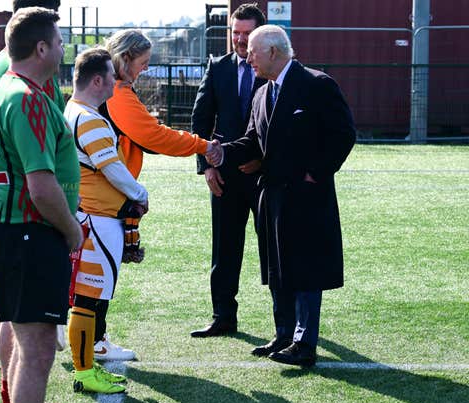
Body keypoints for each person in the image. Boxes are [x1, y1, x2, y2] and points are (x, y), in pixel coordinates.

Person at [207, 25, 355, 367]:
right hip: (271, 196)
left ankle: (305, 344)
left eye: (254, 53)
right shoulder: (262, 92)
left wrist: (313, 173)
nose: (248, 58)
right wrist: (222, 153)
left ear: (273, 51)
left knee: (304, 268)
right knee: (277, 268)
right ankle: (284, 334)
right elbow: (252, 142)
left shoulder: (317, 84)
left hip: (306, 196)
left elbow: (344, 134)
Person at [0, 7, 82, 403]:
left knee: (30, 347)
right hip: (29, 234)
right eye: (59, 42)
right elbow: (42, 188)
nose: (63, 49)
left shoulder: (10, 85)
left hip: (13, 232)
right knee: (37, 350)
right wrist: (73, 229)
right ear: (41, 47)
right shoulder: (27, 98)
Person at [97, 29, 217, 360]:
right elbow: (154, 136)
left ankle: (86, 334)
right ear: (124, 60)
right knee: (101, 274)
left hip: (102, 194)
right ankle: (93, 338)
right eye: (143, 62)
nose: (146, 69)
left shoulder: (113, 91)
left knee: (93, 272)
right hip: (104, 198)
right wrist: (202, 145)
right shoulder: (118, 95)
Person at [64, 47, 149, 393]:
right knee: (88, 297)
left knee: (89, 296)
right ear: (97, 80)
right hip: (97, 219)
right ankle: (85, 371)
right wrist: (139, 193)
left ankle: (90, 355)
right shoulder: (90, 118)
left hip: (90, 215)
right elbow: (111, 167)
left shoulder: (73, 111)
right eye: (112, 76)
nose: (117, 81)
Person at [190, 2, 267, 338]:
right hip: (224, 177)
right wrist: (207, 166)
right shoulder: (218, 67)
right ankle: (223, 316)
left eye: (246, 34)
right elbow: (201, 119)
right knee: (224, 250)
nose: (239, 39)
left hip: (266, 177)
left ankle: (291, 323)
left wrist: (265, 160)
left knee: (276, 250)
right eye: (235, 33)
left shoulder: (276, 69)